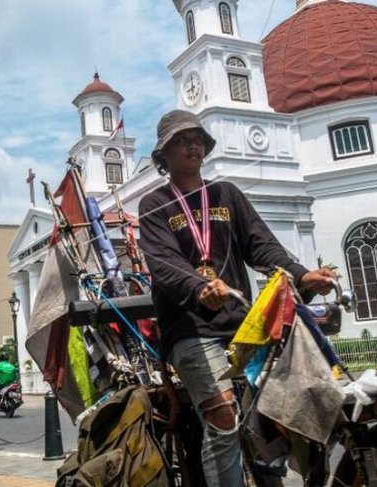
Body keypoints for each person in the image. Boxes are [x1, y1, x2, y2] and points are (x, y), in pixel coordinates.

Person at [139, 109, 337, 487]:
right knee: (224, 415)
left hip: (242, 324)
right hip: (191, 329)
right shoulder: (155, 204)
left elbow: (261, 244)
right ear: (163, 155)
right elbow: (163, 262)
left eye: (196, 138)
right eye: (181, 140)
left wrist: (301, 273)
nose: (192, 145)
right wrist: (199, 287)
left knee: (290, 400)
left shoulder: (225, 193)